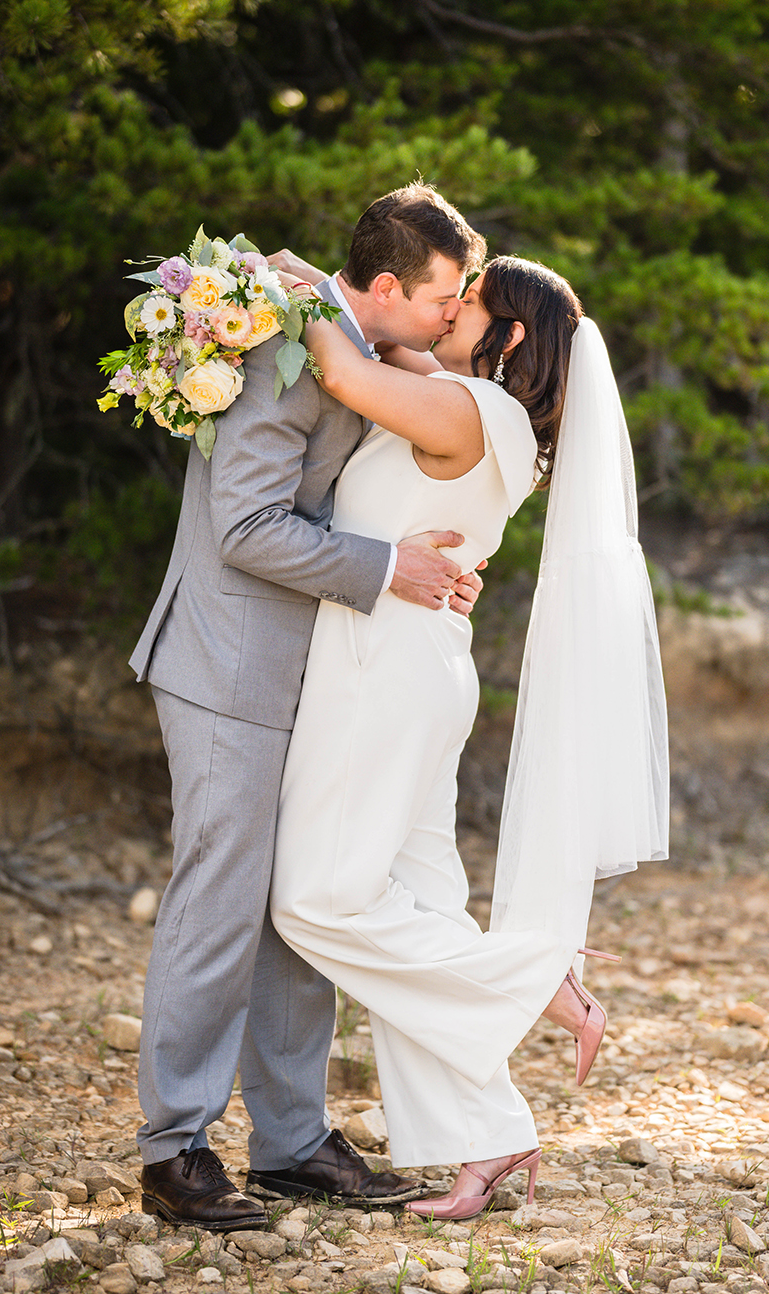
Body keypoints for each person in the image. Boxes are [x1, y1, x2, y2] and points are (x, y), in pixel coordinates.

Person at [268, 253, 669, 1220]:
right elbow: (383, 336)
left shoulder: (472, 411)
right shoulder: (486, 414)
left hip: (385, 674)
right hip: (420, 663)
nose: (451, 312)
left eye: (473, 302)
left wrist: (280, 291)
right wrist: (324, 278)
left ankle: (535, 980)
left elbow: (345, 370)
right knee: (421, 906)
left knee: (314, 902)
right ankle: (485, 1140)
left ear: (514, 334)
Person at [128, 184, 488, 1230]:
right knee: (221, 898)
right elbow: (244, 529)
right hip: (225, 665)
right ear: (383, 288)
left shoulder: (348, 345)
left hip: (305, 670)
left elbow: (401, 400)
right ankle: (175, 1150)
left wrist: (424, 567)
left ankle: (290, 1142)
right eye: (442, 296)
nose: (451, 312)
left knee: (295, 907)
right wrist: (388, 571)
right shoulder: (279, 356)